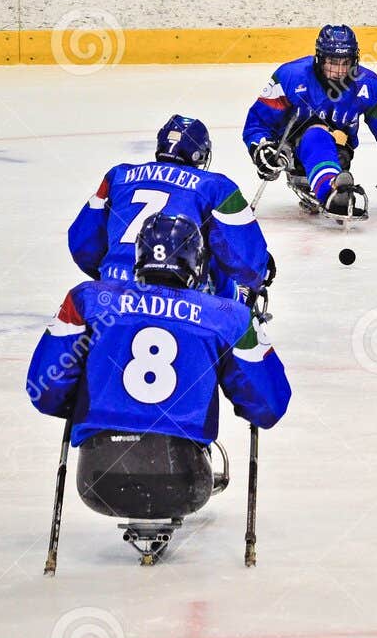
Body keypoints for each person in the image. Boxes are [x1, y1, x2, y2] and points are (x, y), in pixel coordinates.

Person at [27, 213, 290, 527]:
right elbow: (269, 405)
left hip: (97, 481)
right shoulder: (228, 317)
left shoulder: (88, 300)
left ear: (139, 256)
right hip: (186, 481)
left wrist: (77, 403)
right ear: (197, 263)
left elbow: (45, 389)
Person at [242, 24, 377, 220]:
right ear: (319, 59)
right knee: (316, 133)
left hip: (339, 152)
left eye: (345, 63)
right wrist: (261, 148)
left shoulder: (369, 86)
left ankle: (331, 186)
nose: (339, 71)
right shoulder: (290, 76)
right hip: (290, 151)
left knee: (329, 140)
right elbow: (257, 124)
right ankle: (330, 191)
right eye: (332, 62)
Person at [68, 115, 272, 305]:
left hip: (111, 290)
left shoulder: (117, 176)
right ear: (199, 153)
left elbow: (83, 242)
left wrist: (110, 273)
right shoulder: (215, 186)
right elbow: (246, 257)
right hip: (178, 296)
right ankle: (236, 324)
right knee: (217, 258)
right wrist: (260, 273)